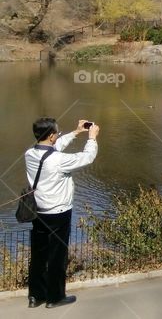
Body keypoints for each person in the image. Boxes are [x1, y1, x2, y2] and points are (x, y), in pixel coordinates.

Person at [25, 118, 99, 309]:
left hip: (38, 211)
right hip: (58, 213)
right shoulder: (58, 160)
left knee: (39, 255)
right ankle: (55, 298)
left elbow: (52, 147)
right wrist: (91, 138)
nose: (58, 135)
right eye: (57, 133)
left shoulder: (30, 154)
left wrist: (76, 132)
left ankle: (35, 296)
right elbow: (87, 157)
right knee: (57, 256)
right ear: (50, 136)